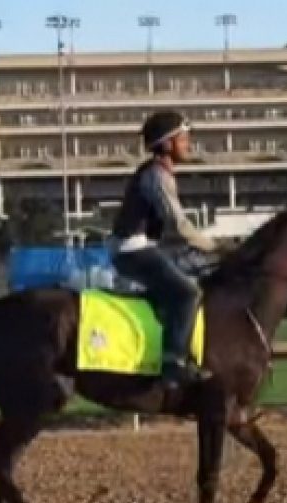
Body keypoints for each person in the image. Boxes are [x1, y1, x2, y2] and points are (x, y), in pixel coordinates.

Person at [109, 111, 224, 387]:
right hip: (131, 250)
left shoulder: (160, 174)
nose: (188, 144)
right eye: (183, 138)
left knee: (197, 273)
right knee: (188, 293)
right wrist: (217, 248)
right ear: (167, 143)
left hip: (142, 246)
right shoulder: (155, 177)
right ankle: (173, 363)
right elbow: (181, 227)